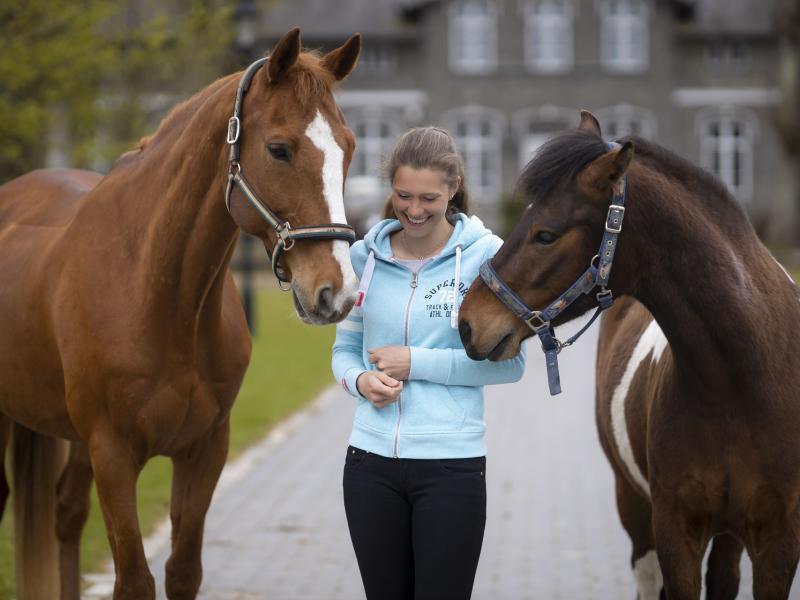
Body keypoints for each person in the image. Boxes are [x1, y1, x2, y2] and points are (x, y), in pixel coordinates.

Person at [331, 126, 526, 600]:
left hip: (451, 469)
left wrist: (414, 362)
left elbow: (509, 365)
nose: (414, 210)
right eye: (403, 196)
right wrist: (360, 381)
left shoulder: (489, 259)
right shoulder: (363, 258)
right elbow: (343, 351)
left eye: (428, 198)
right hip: (369, 465)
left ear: (454, 188)